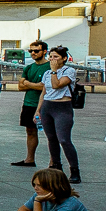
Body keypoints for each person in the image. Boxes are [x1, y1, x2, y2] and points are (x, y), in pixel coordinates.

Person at [37, 45, 80, 184]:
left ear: (64, 58)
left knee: (64, 139)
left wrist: (55, 71)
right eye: (51, 56)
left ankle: (74, 170)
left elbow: (57, 85)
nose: (52, 59)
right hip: (48, 106)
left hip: (62, 106)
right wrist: (38, 109)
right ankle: (56, 166)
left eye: (56, 57)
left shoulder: (69, 71)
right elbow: (44, 92)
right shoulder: (47, 73)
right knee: (51, 138)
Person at [13, 41, 50, 167]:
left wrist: (28, 84)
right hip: (29, 103)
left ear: (44, 51)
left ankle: (53, 161)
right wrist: (35, 85)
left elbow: (46, 87)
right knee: (30, 131)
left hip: (45, 104)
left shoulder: (50, 67)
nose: (33, 53)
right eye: (31, 51)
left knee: (51, 133)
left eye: (36, 51)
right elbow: (20, 87)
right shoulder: (28, 67)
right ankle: (29, 159)